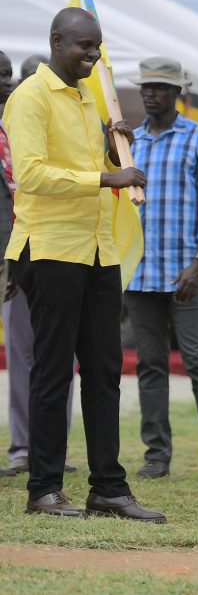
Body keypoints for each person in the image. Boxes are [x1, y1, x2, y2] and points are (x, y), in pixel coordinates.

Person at [3, 7, 164, 521]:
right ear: (57, 41)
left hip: (98, 249)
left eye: (97, 46)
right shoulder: (29, 97)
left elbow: (94, 166)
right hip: (50, 249)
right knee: (53, 372)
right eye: (84, 46)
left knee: (104, 371)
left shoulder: (88, 98)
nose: (94, 55)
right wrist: (106, 179)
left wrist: (115, 155)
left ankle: (108, 488)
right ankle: (43, 489)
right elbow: (31, 174)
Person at [124, 56, 198, 483]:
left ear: (177, 93)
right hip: (140, 274)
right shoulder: (130, 142)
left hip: (188, 273)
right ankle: (156, 456)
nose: (151, 93)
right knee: (150, 366)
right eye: (146, 86)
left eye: (159, 87)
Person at [0, 50, 76, 478]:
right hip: (14, 255)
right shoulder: (8, 129)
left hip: (57, 249)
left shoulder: (64, 130)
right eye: (21, 78)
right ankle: (22, 449)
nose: (23, 85)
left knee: (59, 355)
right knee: (21, 353)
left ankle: (54, 450)